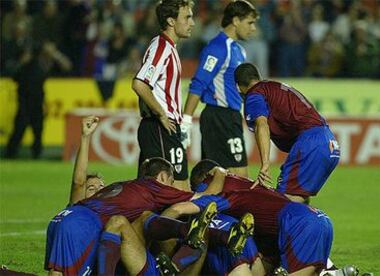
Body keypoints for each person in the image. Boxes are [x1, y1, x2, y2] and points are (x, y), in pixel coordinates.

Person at [44, 157, 233, 275]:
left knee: (131, 220)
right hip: (84, 226)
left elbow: (78, 185)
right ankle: (191, 233)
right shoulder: (155, 188)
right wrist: (220, 172)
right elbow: (209, 194)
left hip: (63, 217)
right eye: (171, 181)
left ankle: (188, 234)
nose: (172, 186)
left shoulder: (120, 186)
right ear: (161, 178)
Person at [166, 161, 357, 276]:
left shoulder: (224, 191)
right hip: (317, 217)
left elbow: (183, 207)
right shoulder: (249, 185)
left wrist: (159, 226)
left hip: (296, 223)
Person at [234, 63, 340, 203]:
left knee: (282, 203)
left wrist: (265, 163)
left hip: (311, 143)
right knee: (298, 197)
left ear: (238, 86)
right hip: (329, 143)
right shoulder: (274, 87)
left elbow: (262, 124)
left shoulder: (254, 94)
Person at [181, 0, 258, 177]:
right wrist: (185, 122)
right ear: (236, 21)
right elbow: (198, 83)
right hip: (219, 118)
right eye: (250, 22)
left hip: (230, 117)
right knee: (238, 179)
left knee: (216, 180)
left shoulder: (239, 50)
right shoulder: (218, 48)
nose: (253, 28)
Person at [132, 0, 195, 191]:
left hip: (164, 128)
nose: (192, 23)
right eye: (187, 17)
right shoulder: (162, 47)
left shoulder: (169, 48)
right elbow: (140, 84)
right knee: (178, 190)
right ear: (171, 21)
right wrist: (161, 114)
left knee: (153, 193)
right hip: (160, 128)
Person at [4, 41, 72, 159]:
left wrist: (56, 55)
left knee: (38, 132)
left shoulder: (46, 65)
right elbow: (13, 74)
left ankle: (36, 154)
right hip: (24, 103)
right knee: (19, 130)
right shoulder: (28, 64)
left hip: (37, 103)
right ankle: (10, 154)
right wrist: (22, 62)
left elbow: (67, 68)